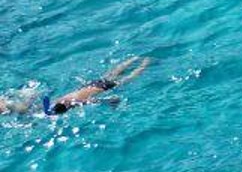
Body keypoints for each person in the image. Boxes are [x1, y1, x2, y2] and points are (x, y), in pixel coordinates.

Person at [0, 57, 151, 116]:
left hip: (98, 89)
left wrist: (110, 101)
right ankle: (135, 59)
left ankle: (144, 63)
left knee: (127, 78)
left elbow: (90, 101)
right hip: (91, 86)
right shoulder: (57, 103)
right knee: (113, 74)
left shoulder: (70, 104)